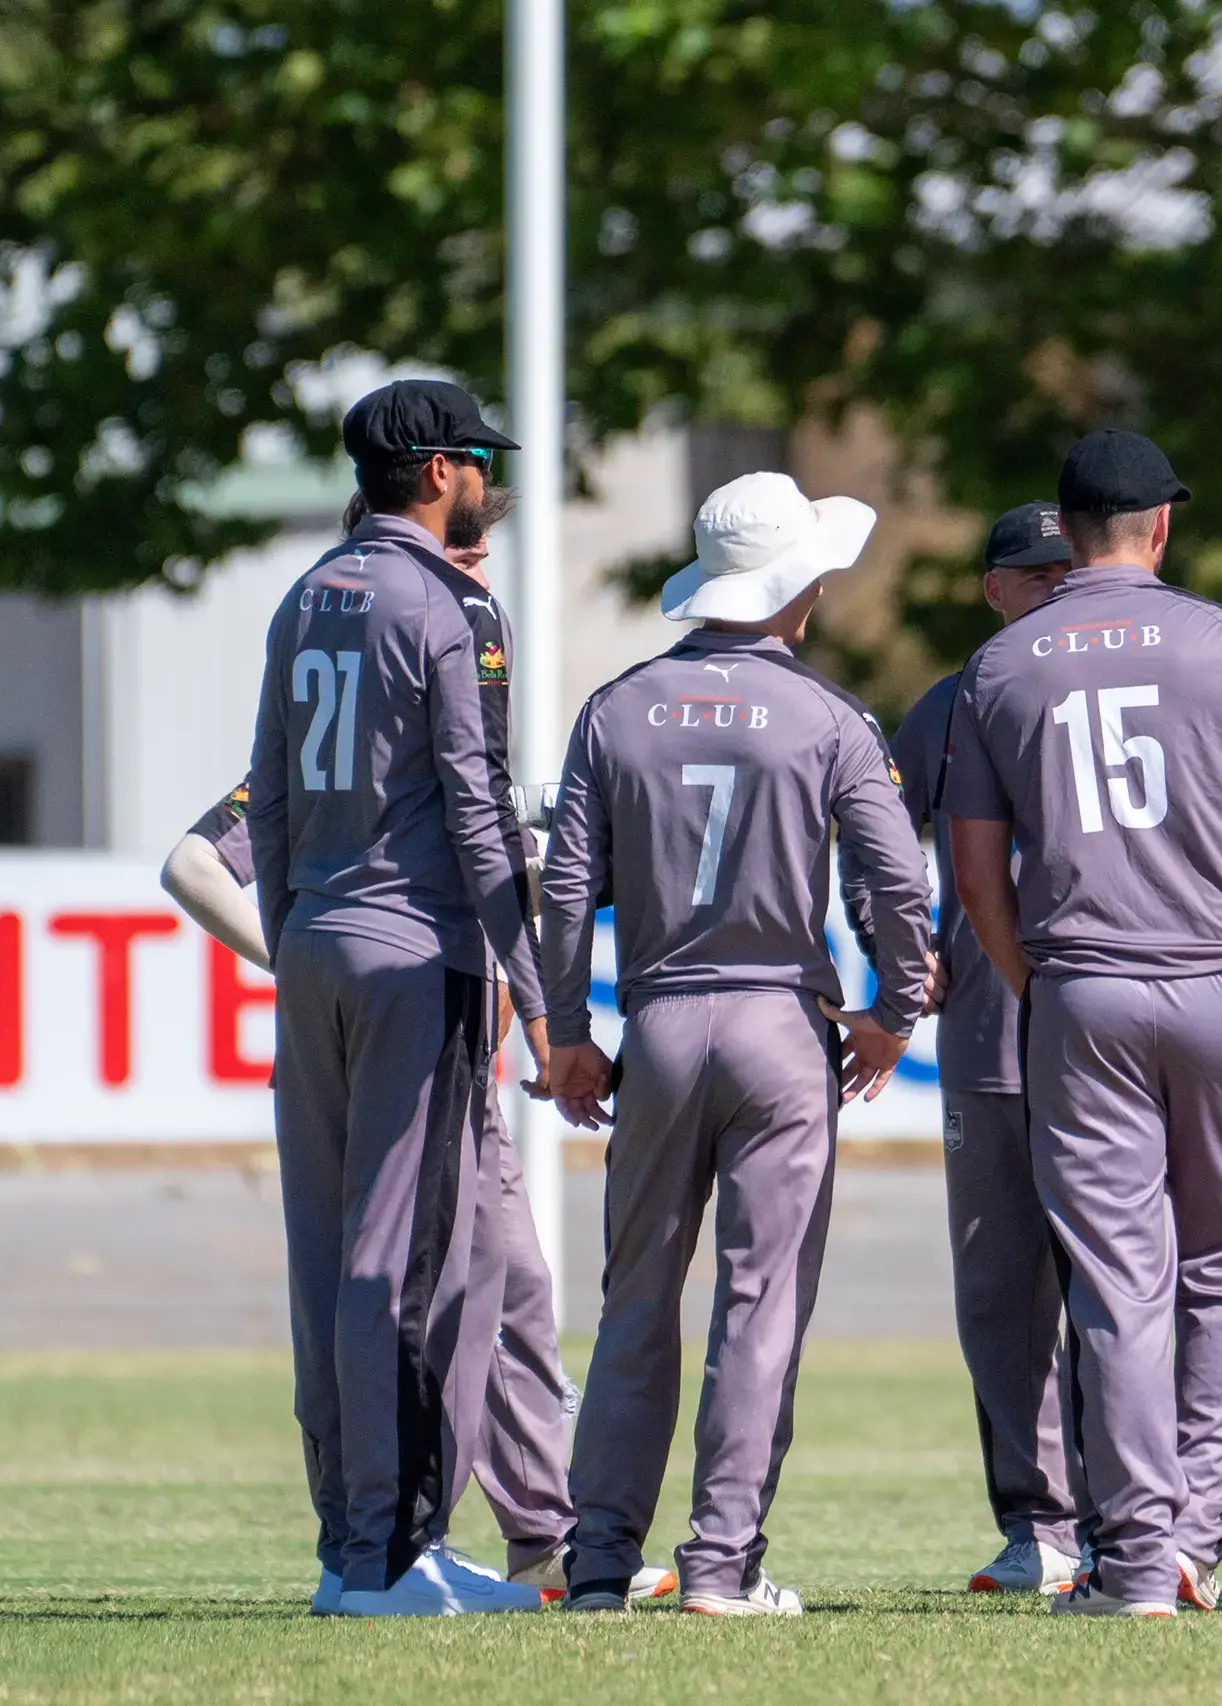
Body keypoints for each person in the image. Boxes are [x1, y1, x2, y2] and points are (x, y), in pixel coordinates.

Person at [160, 488, 676, 1614]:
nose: (477, 551)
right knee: (432, 1281)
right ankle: (395, 1543)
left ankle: (509, 1534)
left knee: (501, 1288)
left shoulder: (331, 649)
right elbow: (197, 862)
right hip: (411, 1016)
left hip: (385, 1015)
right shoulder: (410, 685)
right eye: (465, 531)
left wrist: (306, 954)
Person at [945, 429, 1222, 1617]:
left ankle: (1130, 1554)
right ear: (1161, 525)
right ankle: (1191, 1538)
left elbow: (973, 873)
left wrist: (1032, 977)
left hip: (1081, 982)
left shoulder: (1002, 665)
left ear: (1062, 530)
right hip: (1217, 978)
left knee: (1116, 1275)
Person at [537, 472, 931, 1617]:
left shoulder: (617, 706)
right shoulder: (829, 718)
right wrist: (895, 1009)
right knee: (759, 1303)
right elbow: (896, 882)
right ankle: (719, 1563)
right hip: (778, 1028)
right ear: (795, 586)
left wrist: (567, 1030)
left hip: (658, 1020)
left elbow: (567, 887)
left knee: (634, 1298)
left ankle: (602, 1556)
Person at [247, 378, 549, 1617]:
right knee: (412, 1266)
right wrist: (542, 1000)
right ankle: (387, 1553)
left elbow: (265, 794)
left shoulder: (306, 592)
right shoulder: (452, 604)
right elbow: (480, 814)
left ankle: (347, 1542)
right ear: (437, 472)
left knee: (326, 1262)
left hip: (315, 934)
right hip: (417, 949)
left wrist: (292, 934)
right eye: (480, 456)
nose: (491, 476)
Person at [881, 501, 1088, 1595]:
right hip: (989, 1037)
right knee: (1004, 1290)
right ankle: (1038, 1519)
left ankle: (1126, 1510)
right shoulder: (950, 704)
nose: (1053, 584)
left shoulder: (1112, 678)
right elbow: (877, 838)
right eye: (1031, 571)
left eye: (1067, 566)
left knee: (1115, 1278)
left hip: (1101, 1026)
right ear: (991, 587)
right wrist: (906, 941)